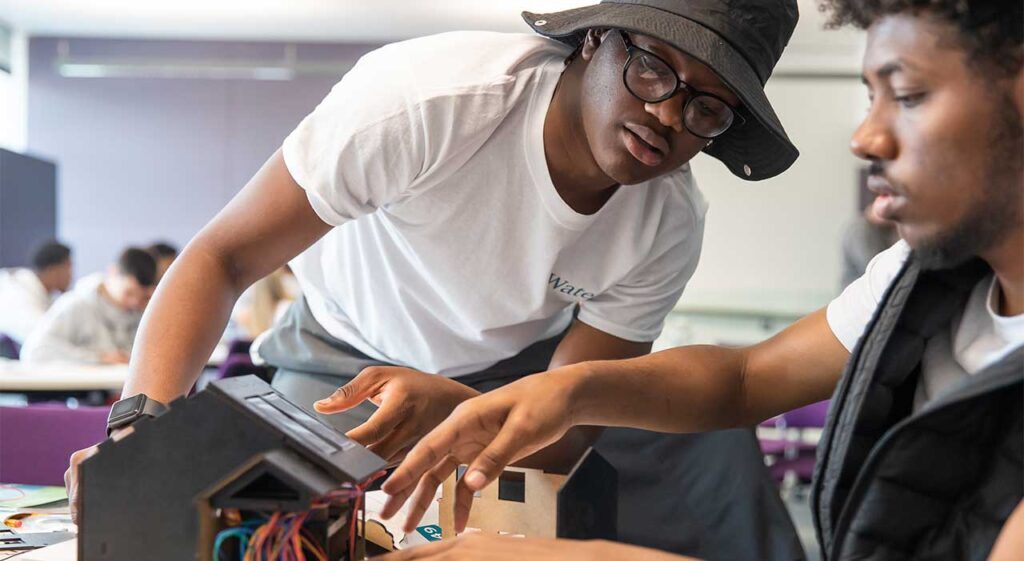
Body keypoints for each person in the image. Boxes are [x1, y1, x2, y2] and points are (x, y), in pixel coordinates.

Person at [64, 1, 807, 558]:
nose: (667, 114)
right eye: (651, 69)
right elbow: (221, 258)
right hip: (343, 361)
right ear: (594, 39)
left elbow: (567, 426)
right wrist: (135, 433)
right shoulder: (427, 103)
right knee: (252, 519)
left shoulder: (666, 222)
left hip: (524, 381)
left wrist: (467, 414)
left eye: (706, 106)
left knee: (713, 449)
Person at [376, 0, 1024, 558]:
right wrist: (567, 391)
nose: (865, 137)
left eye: (907, 95)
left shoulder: (670, 220)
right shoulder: (922, 277)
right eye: (871, 97)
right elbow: (744, 380)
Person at [21, 247, 157, 364]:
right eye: (129, 293)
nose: (133, 302)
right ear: (113, 272)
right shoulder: (77, 305)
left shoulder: (143, 311)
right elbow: (36, 351)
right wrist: (98, 359)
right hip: (85, 391)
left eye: (142, 297)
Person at [0, 240, 73, 345]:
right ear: (53, 270)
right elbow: (41, 340)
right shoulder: (18, 293)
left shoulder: (42, 294)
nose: (70, 276)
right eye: (68, 268)